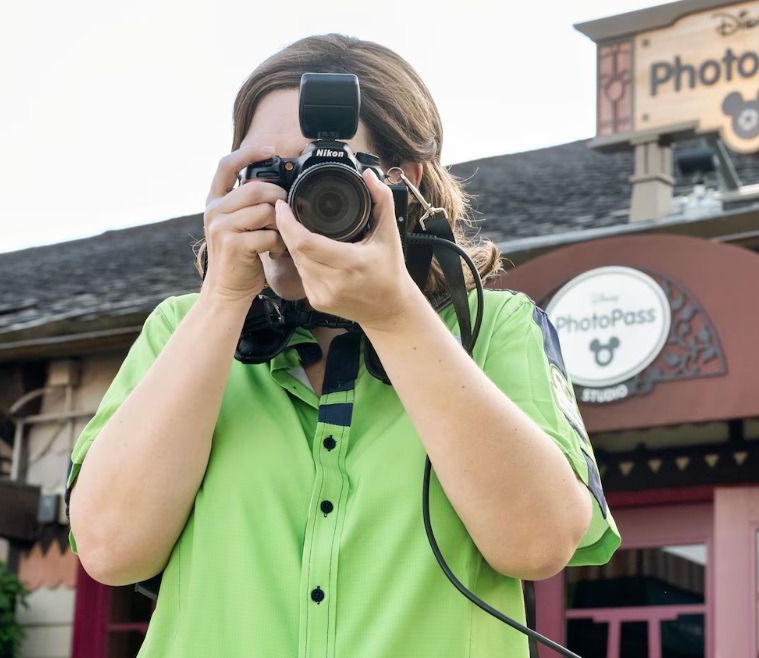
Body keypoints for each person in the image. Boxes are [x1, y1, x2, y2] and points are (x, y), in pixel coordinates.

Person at [66, 33, 620, 657]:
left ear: (404, 183)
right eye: (269, 173)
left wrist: (393, 316)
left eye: (325, 171)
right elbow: (111, 551)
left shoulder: (495, 329)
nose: (296, 204)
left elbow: (538, 545)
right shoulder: (179, 330)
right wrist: (223, 300)